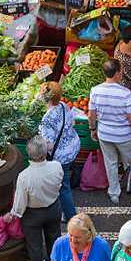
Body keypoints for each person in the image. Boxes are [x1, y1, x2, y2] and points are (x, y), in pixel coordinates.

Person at [3, 136, 63, 261]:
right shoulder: (56, 166)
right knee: (54, 239)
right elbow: (60, 184)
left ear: (29, 154)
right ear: (44, 153)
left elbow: (20, 204)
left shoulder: (24, 176)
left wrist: (12, 214)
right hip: (53, 208)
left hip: (32, 215)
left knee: (35, 245)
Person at [88, 59, 131, 204]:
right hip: (125, 136)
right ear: (118, 73)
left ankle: (114, 193)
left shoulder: (95, 90)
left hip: (105, 135)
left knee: (110, 163)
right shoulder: (125, 93)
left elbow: (91, 115)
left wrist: (93, 129)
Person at [38, 82, 80, 222]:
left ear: (46, 97)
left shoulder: (47, 119)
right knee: (65, 178)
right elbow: (71, 123)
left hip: (61, 156)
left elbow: (49, 146)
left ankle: (71, 216)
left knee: (63, 187)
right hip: (72, 146)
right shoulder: (63, 105)